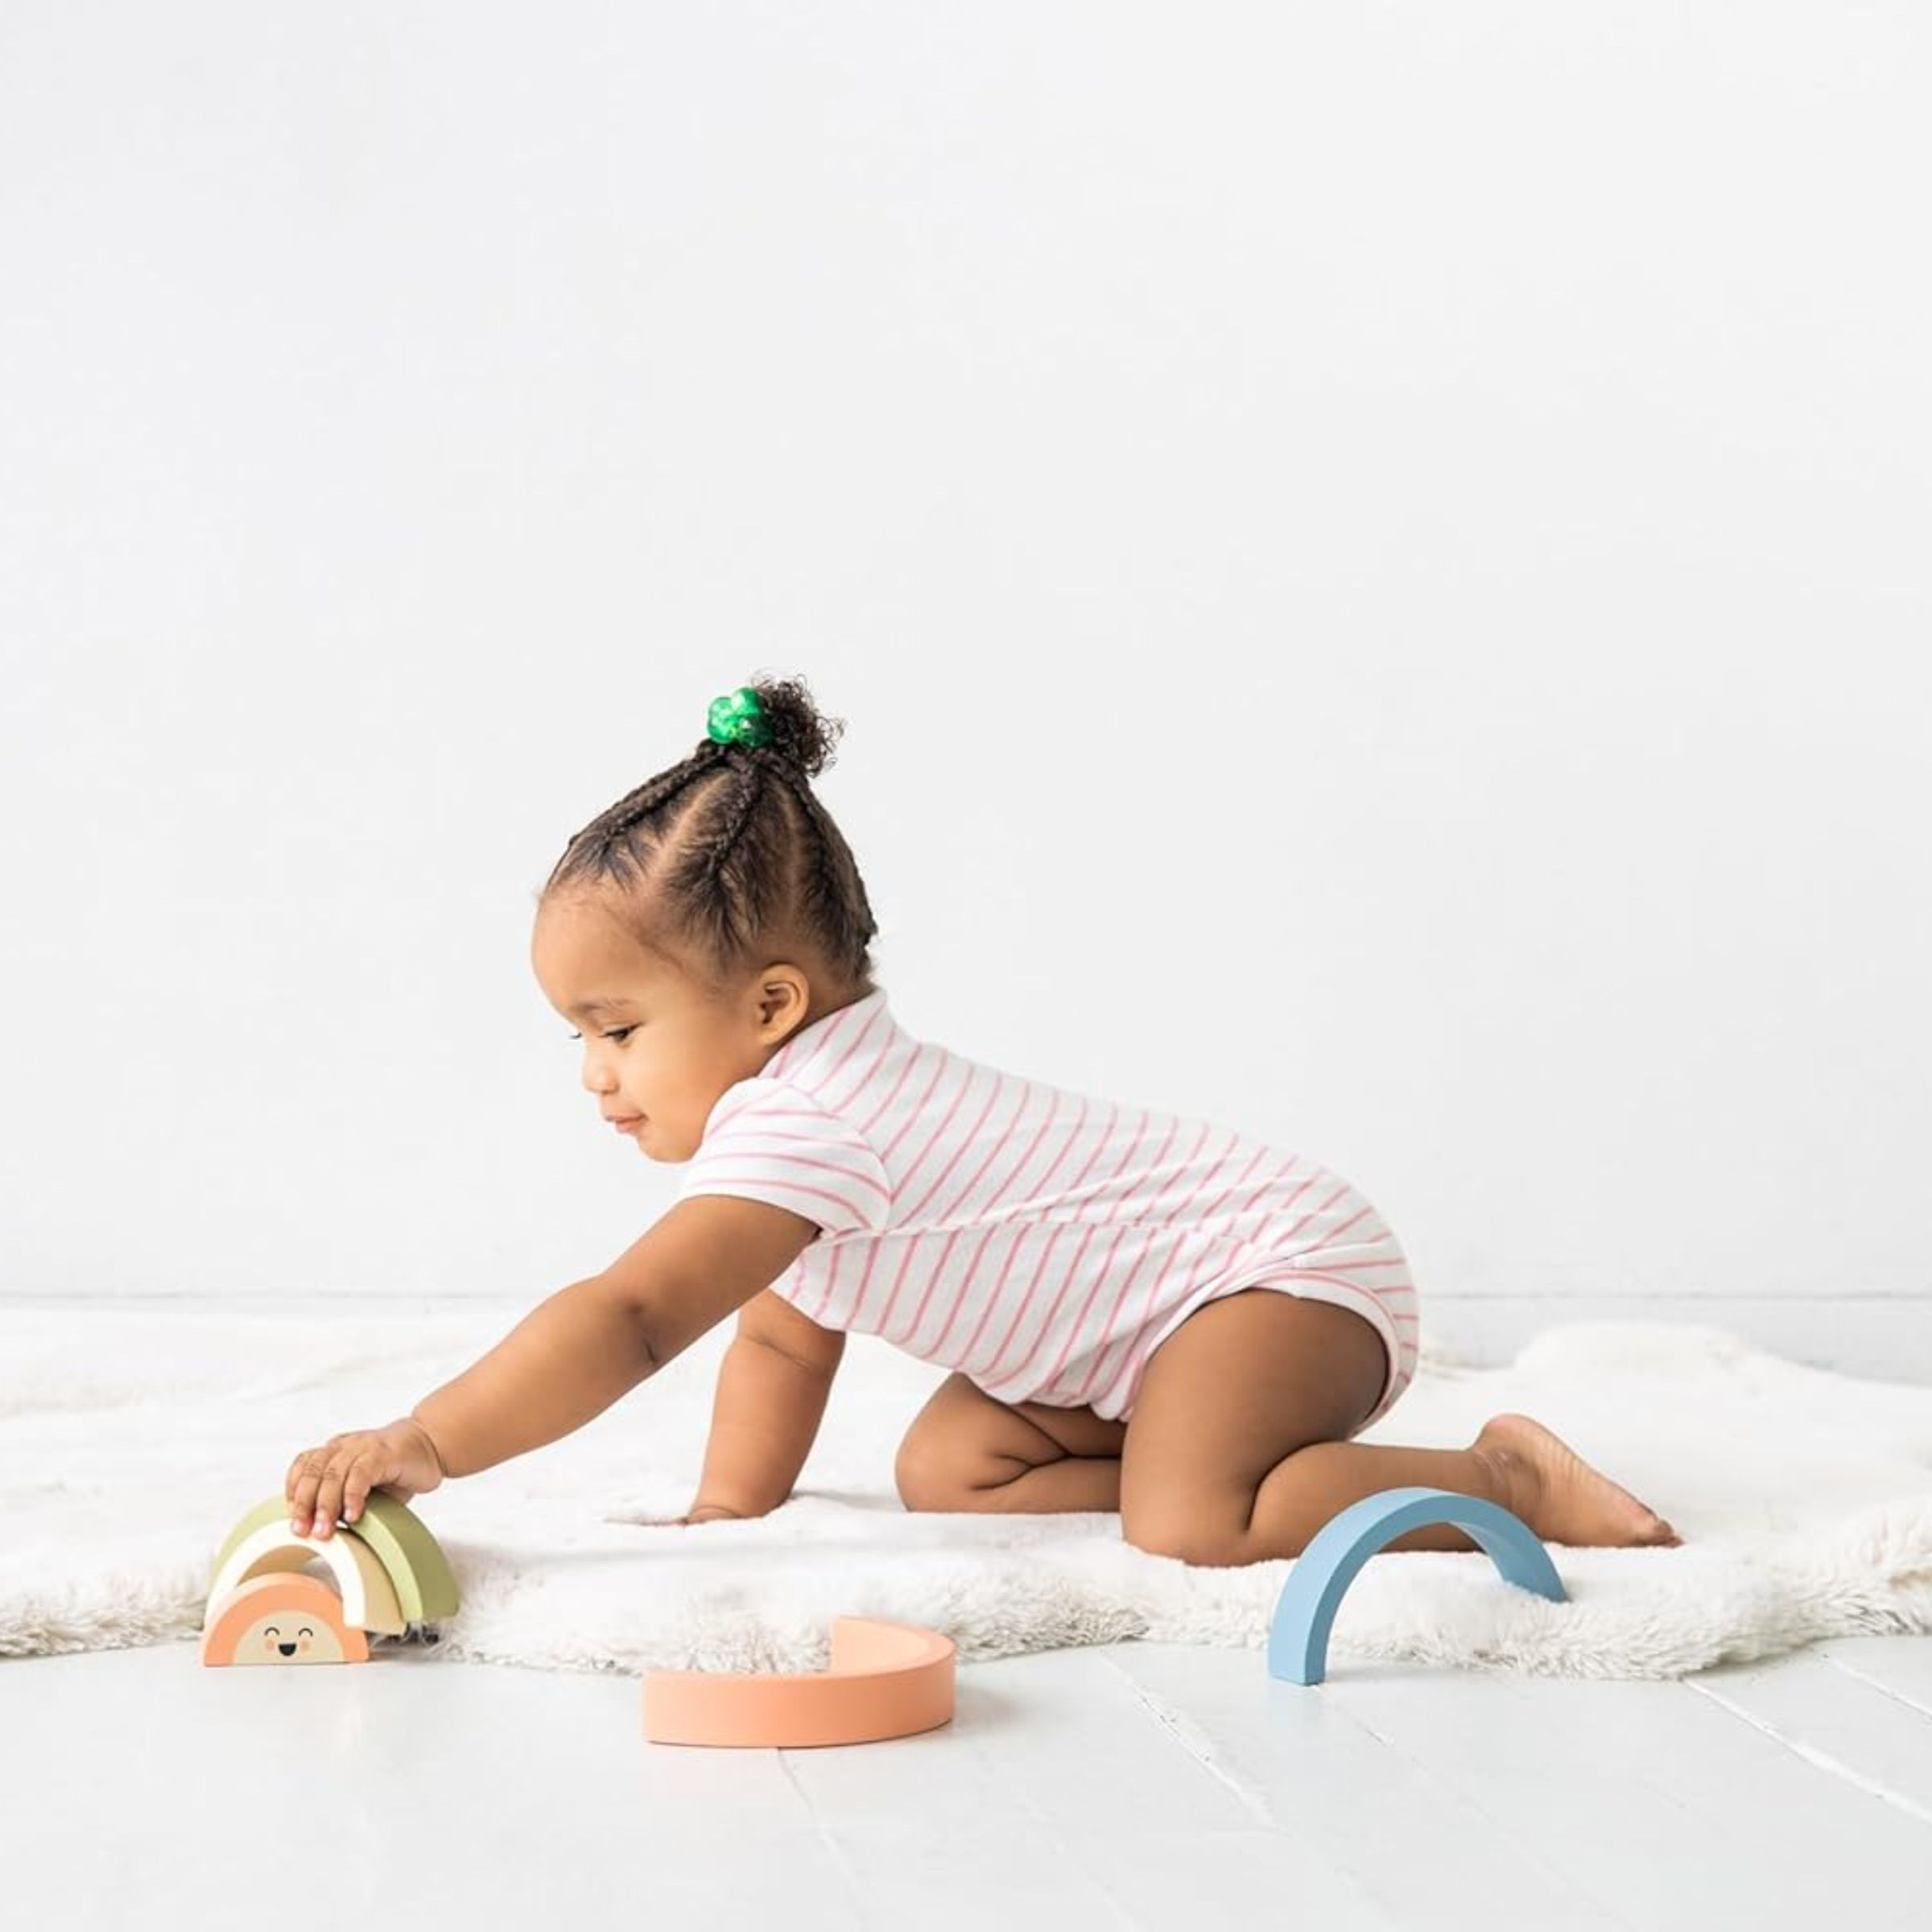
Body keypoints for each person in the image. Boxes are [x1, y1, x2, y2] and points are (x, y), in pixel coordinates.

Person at [284, 676, 1683, 1567]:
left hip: (1277, 1276)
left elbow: (639, 1317)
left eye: (620, 1030)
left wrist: (431, 1438)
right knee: (952, 1470)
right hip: (1159, 1334)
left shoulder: (815, 1121)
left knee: (1191, 1525)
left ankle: (1497, 1478)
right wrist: (729, 1516)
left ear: (772, 1005)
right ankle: (1227, 1452)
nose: (596, 1073)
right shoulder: (815, 1122)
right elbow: (780, 1328)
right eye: (581, 1038)